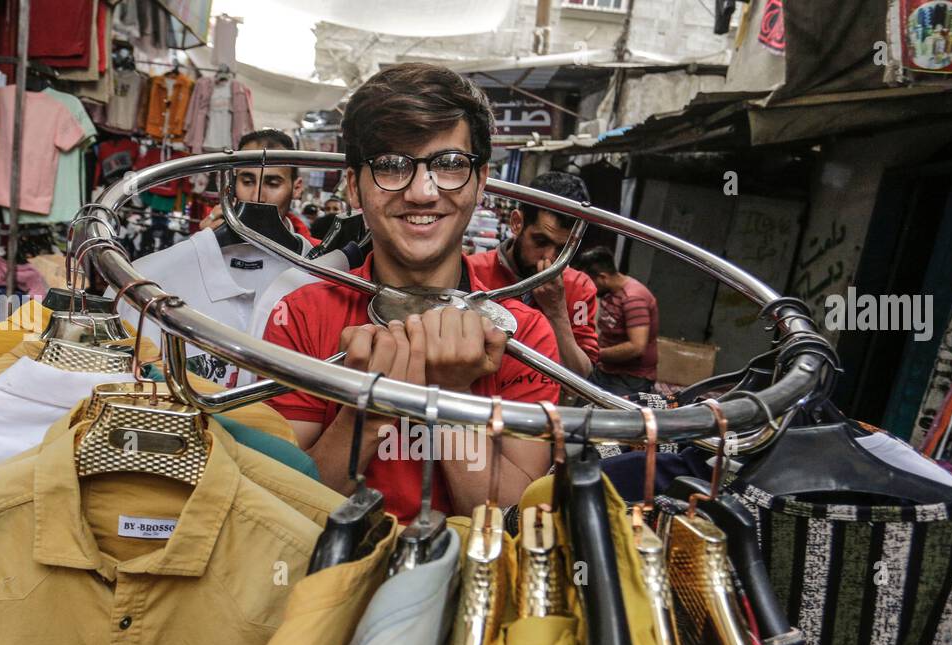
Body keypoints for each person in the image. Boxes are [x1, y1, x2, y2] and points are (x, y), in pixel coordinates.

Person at [263, 63, 560, 523]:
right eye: (391, 165)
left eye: (448, 165)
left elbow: (507, 523)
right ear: (354, 187)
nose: (422, 192)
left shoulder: (524, 336)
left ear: (480, 183)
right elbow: (282, 506)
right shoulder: (301, 316)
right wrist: (372, 411)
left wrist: (450, 394)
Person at [465, 170, 599, 377]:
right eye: (540, 241)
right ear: (517, 223)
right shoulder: (473, 270)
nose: (550, 258)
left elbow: (581, 377)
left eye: (563, 249)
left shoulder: (579, 287)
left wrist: (557, 313)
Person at [199, 128, 319, 248]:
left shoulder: (319, 257)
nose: (257, 197)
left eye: (273, 184)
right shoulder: (209, 243)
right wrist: (203, 247)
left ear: (296, 188)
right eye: (247, 182)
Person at [573, 245, 659, 398]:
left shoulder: (633, 298)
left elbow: (636, 347)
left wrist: (595, 354)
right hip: (605, 369)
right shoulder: (610, 293)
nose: (587, 287)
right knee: (580, 405)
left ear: (603, 277)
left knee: (603, 416)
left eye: (589, 282)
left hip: (630, 378)